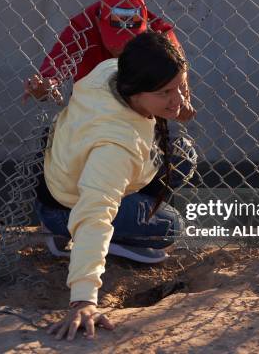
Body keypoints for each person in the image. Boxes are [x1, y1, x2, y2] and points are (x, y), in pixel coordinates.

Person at [37, 32, 195, 340]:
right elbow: (95, 213)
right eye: (165, 92)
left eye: (180, 87)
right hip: (71, 204)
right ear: (135, 92)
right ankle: (67, 235)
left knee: (183, 156)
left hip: (74, 169)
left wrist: (173, 97)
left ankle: (101, 227)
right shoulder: (115, 149)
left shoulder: (112, 69)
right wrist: (84, 300)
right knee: (170, 228)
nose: (178, 100)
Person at [23, 0, 196, 122]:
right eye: (116, 43)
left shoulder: (157, 31)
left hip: (140, 106)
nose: (122, 52)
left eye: (131, 44)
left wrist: (182, 98)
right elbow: (59, 59)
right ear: (98, 23)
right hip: (92, 106)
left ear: (145, 24)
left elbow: (177, 68)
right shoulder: (83, 27)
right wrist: (49, 82)